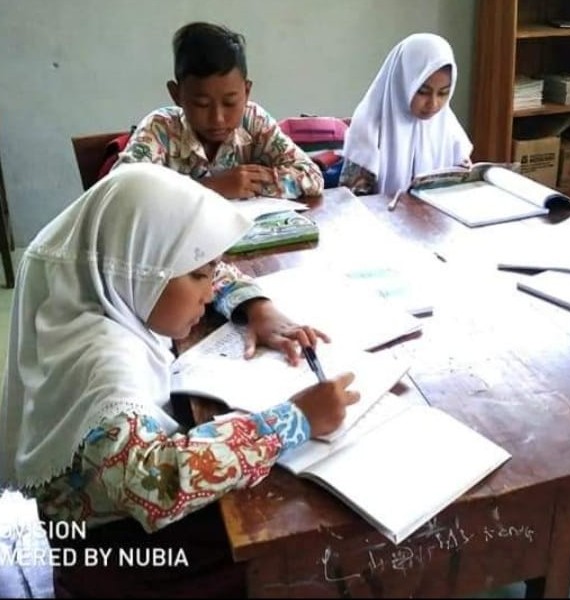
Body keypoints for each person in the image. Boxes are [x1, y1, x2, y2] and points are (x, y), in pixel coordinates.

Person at [0, 163, 359, 597]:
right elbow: (158, 481)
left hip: (109, 519)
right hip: (116, 558)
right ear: (142, 267)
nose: (209, 289)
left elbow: (210, 272)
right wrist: (292, 420)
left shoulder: (103, 284)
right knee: (297, 537)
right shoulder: (104, 365)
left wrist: (256, 307)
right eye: (198, 276)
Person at [113, 21, 323, 200]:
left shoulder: (254, 121)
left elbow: (312, 177)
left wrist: (247, 183)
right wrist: (210, 188)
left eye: (230, 103)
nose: (218, 119)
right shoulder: (161, 129)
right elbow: (120, 195)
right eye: (202, 104)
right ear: (176, 95)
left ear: (246, 92)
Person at [339, 32, 473, 198]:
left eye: (443, 93)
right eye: (423, 92)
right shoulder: (370, 128)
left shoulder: (448, 127)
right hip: (383, 213)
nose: (433, 104)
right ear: (402, 83)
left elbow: (460, 187)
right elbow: (351, 202)